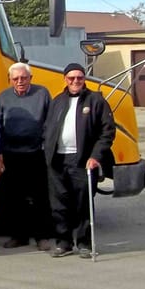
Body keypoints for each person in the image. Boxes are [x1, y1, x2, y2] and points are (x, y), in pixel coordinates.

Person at [43, 64, 116, 258]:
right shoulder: (57, 101)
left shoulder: (96, 101)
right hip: (57, 159)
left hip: (83, 160)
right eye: (71, 78)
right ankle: (63, 242)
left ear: (84, 79)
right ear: (65, 79)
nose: (76, 81)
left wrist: (96, 156)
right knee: (59, 204)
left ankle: (84, 243)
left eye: (79, 78)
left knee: (82, 204)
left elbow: (107, 132)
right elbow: (47, 128)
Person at [0, 62, 53, 249]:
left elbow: (50, 123)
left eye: (24, 78)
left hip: (36, 153)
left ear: (31, 79)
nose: (20, 81)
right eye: (16, 78)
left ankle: (42, 236)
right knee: (11, 198)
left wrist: (46, 147)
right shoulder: (3, 97)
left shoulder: (42, 94)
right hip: (11, 155)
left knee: (40, 197)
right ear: (10, 80)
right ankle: (19, 236)